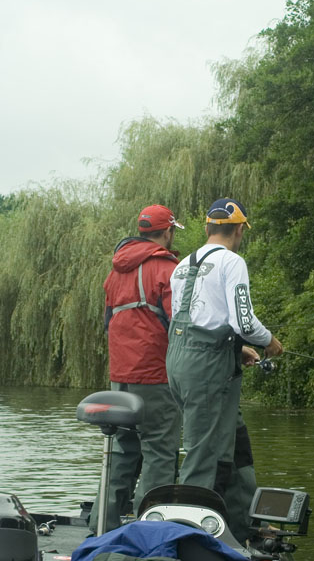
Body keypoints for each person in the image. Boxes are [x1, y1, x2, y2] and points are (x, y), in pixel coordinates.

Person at [166, 198, 282, 540]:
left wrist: (237, 349)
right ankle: (186, 539)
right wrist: (268, 341)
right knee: (203, 455)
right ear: (239, 230)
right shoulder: (232, 262)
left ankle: (245, 523)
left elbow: (194, 320)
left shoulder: (181, 265)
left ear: (206, 228)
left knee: (236, 442)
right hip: (206, 368)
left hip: (180, 360)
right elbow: (243, 321)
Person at [88, 204, 184, 533]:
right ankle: (148, 530)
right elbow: (178, 324)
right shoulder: (165, 268)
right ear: (167, 231)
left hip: (120, 378)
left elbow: (107, 322)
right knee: (159, 449)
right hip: (155, 376)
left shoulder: (116, 271)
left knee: (122, 450)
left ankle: (100, 526)